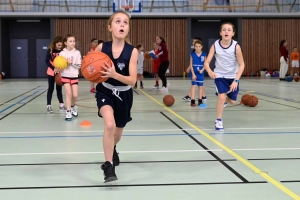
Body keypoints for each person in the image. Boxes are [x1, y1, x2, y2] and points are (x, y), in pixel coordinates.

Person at [94, 10, 138, 182]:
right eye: (118, 21)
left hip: (124, 95)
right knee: (109, 124)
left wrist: (114, 73)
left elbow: (133, 81)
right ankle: (108, 166)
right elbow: (90, 69)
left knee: (117, 134)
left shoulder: (132, 51)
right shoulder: (101, 48)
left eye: (125, 22)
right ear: (110, 27)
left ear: (128, 29)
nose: (121, 24)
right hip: (105, 91)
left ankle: (112, 149)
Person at [204, 22, 245, 131]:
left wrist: (236, 80)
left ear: (233, 33)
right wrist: (209, 71)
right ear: (220, 33)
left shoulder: (236, 46)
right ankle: (218, 121)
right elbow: (207, 62)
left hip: (233, 77)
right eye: (224, 29)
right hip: (220, 76)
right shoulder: (215, 45)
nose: (226, 31)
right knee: (221, 98)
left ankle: (225, 98)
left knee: (233, 102)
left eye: (229, 30)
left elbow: (242, 65)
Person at [59, 34, 82, 121]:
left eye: (74, 41)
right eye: (70, 41)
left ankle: (72, 106)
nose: (73, 43)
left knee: (75, 95)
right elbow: (60, 65)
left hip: (74, 75)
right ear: (65, 43)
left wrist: (71, 62)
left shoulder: (77, 52)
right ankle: (68, 111)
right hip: (65, 75)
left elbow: (79, 65)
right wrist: (58, 68)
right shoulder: (62, 53)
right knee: (69, 93)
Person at [45, 36, 66, 113]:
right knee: (50, 89)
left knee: (59, 89)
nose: (60, 47)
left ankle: (61, 105)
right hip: (51, 72)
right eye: (58, 45)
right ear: (55, 43)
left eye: (61, 45)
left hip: (60, 72)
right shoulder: (50, 50)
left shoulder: (63, 51)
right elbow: (47, 61)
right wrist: (54, 68)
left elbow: (64, 61)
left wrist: (62, 68)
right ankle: (48, 106)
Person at [190, 41, 207, 106]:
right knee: (193, 86)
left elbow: (205, 64)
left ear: (201, 47)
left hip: (201, 72)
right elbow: (191, 65)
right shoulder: (192, 54)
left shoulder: (204, 54)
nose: (198, 48)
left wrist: (202, 70)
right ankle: (193, 100)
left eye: (199, 46)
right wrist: (193, 74)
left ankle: (200, 100)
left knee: (200, 86)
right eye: (196, 46)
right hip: (194, 71)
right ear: (194, 47)